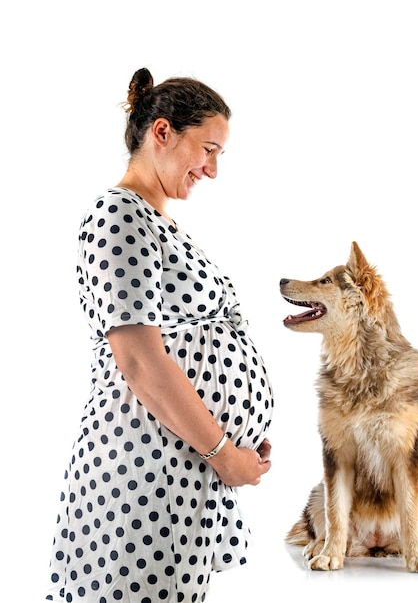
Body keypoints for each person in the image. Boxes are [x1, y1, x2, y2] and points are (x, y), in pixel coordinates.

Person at [45, 68, 273, 603]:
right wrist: (222, 451)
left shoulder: (156, 222)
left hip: (176, 471)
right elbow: (140, 362)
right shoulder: (117, 215)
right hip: (141, 471)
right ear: (163, 132)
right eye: (208, 149)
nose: (213, 170)